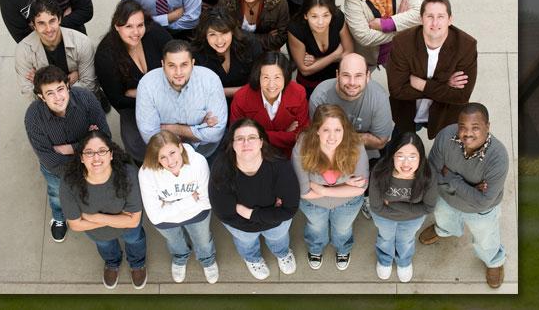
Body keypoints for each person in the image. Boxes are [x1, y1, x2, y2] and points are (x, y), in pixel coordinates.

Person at [418, 103, 509, 289]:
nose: (467, 133)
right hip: (446, 198)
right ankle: (445, 231)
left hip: (480, 210)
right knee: (443, 218)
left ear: (487, 127)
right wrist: (471, 187)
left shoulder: (498, 158)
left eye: (475, 128)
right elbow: (433, 171)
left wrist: (451, 177)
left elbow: (483, 201)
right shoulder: (445, 136)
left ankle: (493, 261)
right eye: (463, 127)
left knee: (486, 238)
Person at [24, 66, 110, 243]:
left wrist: (72, 148)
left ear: (67, 86)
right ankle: (58, 217)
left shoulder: (86, 98)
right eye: (50, 93)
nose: (58, 97)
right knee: (56, 194)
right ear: (41, 96)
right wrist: (88, 143)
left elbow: (105, 137)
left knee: (94, 190)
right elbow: (48, 157)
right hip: (57, 169)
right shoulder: (33, 117)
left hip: (91, 162)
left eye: (60, 89)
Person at [209, 119, 300, 280]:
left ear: (261, 142)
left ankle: (282, 253)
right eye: (240, 138)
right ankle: (253, 258)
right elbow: (224, 212)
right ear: (233, 143)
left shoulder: (279, 164)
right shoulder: (222, 167)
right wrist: (271, 212)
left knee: (278, 239)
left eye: (252, 137)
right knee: (246, 243)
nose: (246, 143)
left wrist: (249, 213)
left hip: (273, 223)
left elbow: (290, 208)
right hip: (242, 226)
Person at [309, 53, 394, 220]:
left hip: (368, 153)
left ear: (368, 76)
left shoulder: (378, 98)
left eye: (358, 76)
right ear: (337, 75)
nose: (352, 82)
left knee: (380, 163)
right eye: (346, 75)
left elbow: (380, 142)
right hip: (328, 150)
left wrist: (340, 138)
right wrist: (364, 137)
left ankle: (367, 196)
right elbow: (317, 137)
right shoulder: (320, 96)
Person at [60, 131, 147, 290]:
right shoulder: (69, 182)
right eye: (89, 152)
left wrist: (94, 217)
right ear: (81, 157)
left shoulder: (128, 174)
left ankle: (137, 264)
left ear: (111, 154)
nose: (96, 158)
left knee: (135, 241)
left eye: (102, 151)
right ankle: (112, 264)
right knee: (105, 246)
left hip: (127, 229)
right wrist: (121, 218)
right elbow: (75, 225)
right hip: (100, 234)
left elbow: (134, 220)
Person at [386, 0, 477, 140]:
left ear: (450, 20)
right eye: (430, 16)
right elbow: (397, 90)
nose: (435, 23)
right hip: (408, 110)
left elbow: (461, 96)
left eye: (440, 17)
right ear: (421, 19)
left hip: (444, 114)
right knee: (399, 149)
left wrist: (421, 84)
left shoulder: (466, 46)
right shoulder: (402, 43)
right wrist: (444, 85)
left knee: (443, 157)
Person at [290, 105, 368, 271]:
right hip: (313, 204)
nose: (332, 137)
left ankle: (343, 249)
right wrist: (346, 184)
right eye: (326, 130)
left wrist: (323, 189)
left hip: (348, 203)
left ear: (344, 130)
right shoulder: (303, 145)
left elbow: (361, 188)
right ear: (317, 130)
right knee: (316, 228)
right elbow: (304, 192)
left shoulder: (355, 145)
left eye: (338, 130)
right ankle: (316, 248)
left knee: (343, 228)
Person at [95, 0, 173, 161]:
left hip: (169, 94)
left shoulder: (154, 33)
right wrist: (151, 96)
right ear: (117, 26)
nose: (136, 32)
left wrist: (138, 92)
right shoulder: (105, 55)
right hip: (133, 107)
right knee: (136, 143)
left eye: (140, 25)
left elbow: (177, 57)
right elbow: (118, 99)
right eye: (128, 26)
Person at [138, 131, 219, 284]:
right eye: (162, 157)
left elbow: (207, 201)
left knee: (202, 240)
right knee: (175, 241)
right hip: (167, 221)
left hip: (196, 214)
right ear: (156, 158)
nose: (170, 161)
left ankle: (207, 260)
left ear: (180, 148)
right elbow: (155, 216)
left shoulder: (198, 162)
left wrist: (167, 205)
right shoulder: (146, 173)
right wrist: (190, 200)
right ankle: (180, 256)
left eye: (172, 152)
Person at [136, 39, 228, 158]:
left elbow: (216, 133)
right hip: (166, 154)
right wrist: (198, 128)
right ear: (163, 65)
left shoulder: (210, 79)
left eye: (184, 65)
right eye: (172, 65)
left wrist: (168, 128)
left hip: (205, 150)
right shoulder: (147, 84)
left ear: (192, 63)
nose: (178, 72)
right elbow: (150, 136)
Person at [368, 132, 436, 282]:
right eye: (400, 156)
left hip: (412, 220)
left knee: (405, 240)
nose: (406, 163)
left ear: (420, 157)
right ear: (392, 156)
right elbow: (376, 206)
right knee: (385, 239)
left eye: (413, 156)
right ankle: (385, 259)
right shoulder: (380, 171)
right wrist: (412, 208)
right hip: (384, 217)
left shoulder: (427, 174)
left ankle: (404, 261)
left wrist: (393, 204)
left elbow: (429, 208)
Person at [229, 51, 308, 158]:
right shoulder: (241, 98)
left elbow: (301, 135)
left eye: (277, 77)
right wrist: (284, 133)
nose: (271, 85)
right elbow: (236, 136)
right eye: (266, 77)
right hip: (254, 155)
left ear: (285, 77)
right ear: (258, 77)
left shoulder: (298, 93)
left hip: (289, 155)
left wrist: (255, 135)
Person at [14, 0, 96, 98]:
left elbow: (88, 85)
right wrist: (67, 81)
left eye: (52, 21)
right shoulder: (23, 50)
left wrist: (42, 83)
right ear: (34, 26)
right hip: (47, 105)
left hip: (81, 100)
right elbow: (28, 92)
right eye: (41, 23)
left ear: (59, 19)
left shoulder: (82, 43)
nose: (48, 29)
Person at [286, 0, 354, 97]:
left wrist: (316, 61)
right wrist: (335, 55)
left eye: (326, 15)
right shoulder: (296, 28)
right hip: (310, 83)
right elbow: (305, 70)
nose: (321, 22)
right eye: (314, 16)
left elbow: (349, 51)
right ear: (305, 15)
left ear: (332, 14)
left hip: (336, 78)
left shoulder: (338, 18)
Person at [191, 9, 262, 100]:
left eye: (224, 33)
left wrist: (220, 91)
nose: (219, 41)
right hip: (212, 102)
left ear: (232, 31)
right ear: (205, 35)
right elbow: (198, 90)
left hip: (247, 99)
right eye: (212, 34)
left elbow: (258, 83)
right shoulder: (196, 53)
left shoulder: (250, 45)